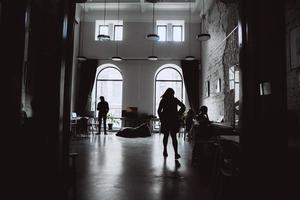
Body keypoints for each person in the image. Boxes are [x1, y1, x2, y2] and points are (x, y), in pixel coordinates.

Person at [158, 88, 186, 159]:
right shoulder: (174, 100)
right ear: (172, 93)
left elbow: (159, 111)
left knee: (166, 136)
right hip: (173, 120)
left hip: (166, 120)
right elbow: (183, 107)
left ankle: (165, 150)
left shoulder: (163, 100)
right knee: (174, 137)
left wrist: (162, 118)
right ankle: (176, 153)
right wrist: (178, 114)